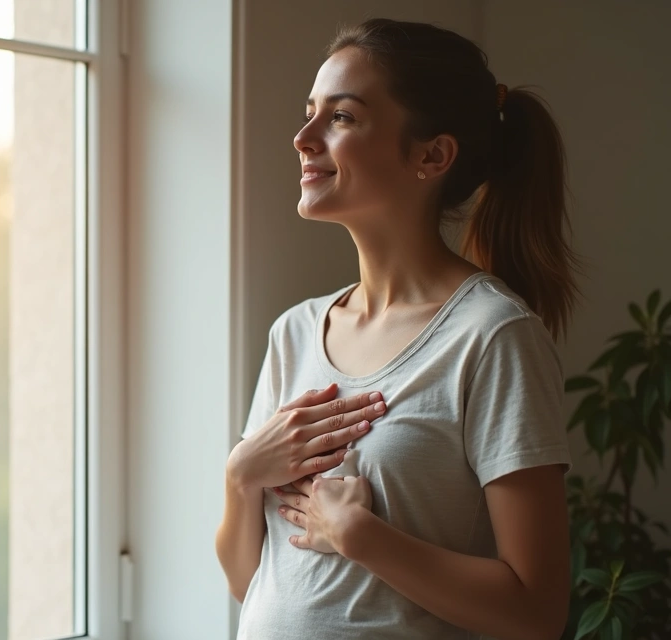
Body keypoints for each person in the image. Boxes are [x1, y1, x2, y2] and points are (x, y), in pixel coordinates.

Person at [215, 18, 579, 640]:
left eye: (342, 117)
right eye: (310, 113)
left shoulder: (492, 337)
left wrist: (362, 537)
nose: (303, 138)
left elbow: (537, 613)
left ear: (431, 155)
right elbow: (251, 581)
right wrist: (241, 476)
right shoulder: (295, 333)